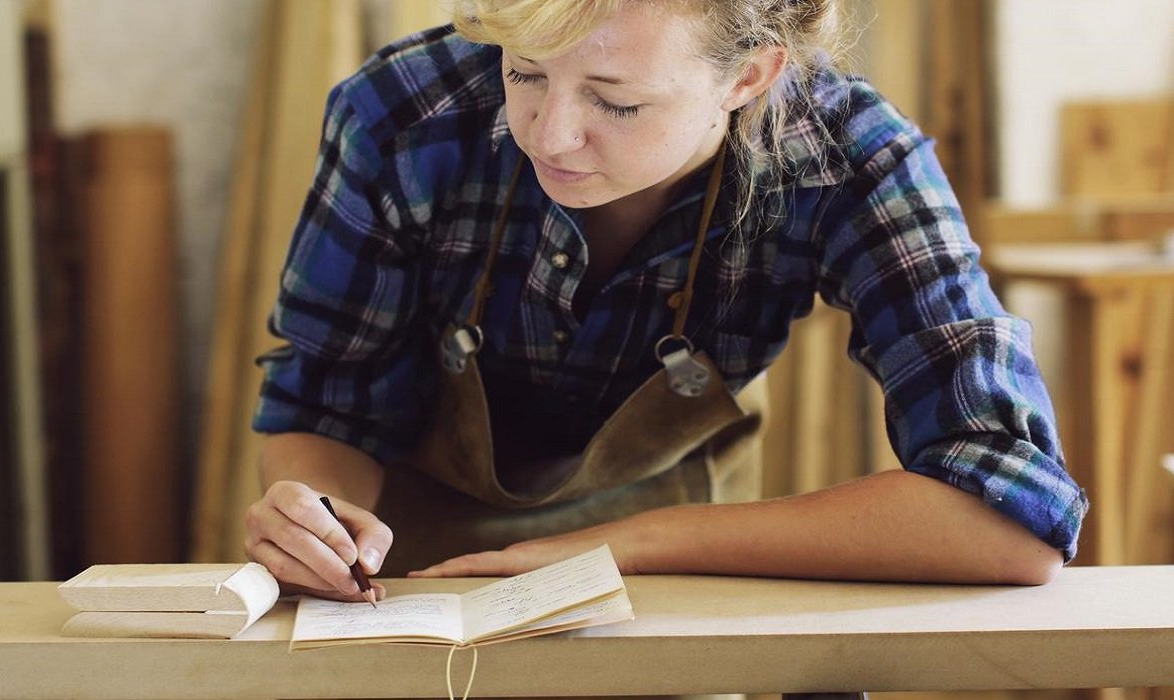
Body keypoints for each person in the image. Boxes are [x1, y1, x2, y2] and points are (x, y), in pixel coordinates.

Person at [245, 0, 1085, 603]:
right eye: (525, 73)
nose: (549, 133)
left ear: (749, 77)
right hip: (416, 577)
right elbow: (326, 407)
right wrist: (317, 517)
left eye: (617, 99)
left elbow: (1009, 514)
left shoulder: (851, 159)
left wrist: (624, 545)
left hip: (677, 565)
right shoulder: (404, 112)